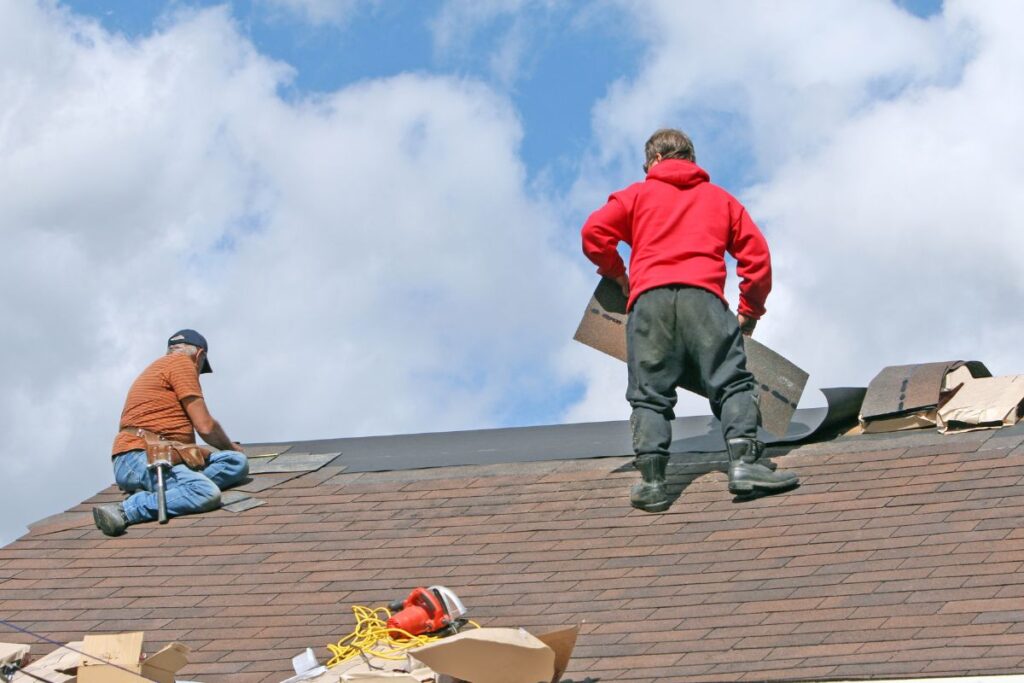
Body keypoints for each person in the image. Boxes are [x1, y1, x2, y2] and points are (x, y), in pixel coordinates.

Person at [581, 128, 799, 512]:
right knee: (732, 383)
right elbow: (757, 259)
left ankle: (651, 483)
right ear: (691, 160)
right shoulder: (720, 200)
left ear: (653, 162)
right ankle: (745, 464)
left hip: (649, 303)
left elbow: (593, 233)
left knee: (649, 394)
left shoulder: (634, 195)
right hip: (705, 301)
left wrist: (619, 275)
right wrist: (750, 310)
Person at [92, 329, 249, 536]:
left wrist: (229, 453)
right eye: (200, 368)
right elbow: (205, 427)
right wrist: (230, 446)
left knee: (234, 462)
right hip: (141, 456)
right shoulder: (182, 363)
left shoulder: (163, 366)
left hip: (161, 454)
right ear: (199, 355)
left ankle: (174, 490)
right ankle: (127, 510)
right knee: (205, 493)